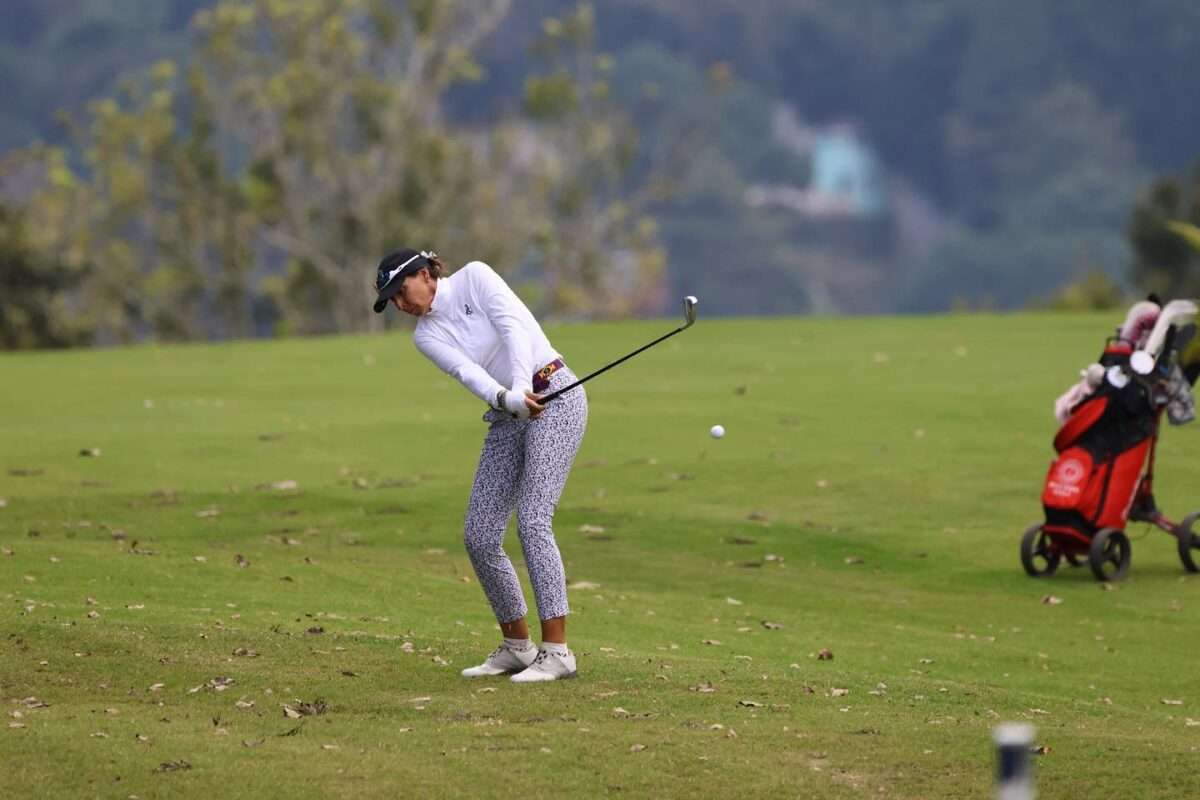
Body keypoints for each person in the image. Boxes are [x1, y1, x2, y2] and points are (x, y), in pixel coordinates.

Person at [372, 248, 587, 682]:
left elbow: (514, 329)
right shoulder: (425, 336)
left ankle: (558, 653)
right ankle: (517, 647)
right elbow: (467, 372)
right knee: (480, 534)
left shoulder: (476, 278)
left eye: (400, 290)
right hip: (509, 411)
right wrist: (507, 399)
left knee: (532, 520)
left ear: (424, 274)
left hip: (556, 395)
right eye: (391, 300)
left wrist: (523, 387)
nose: (399, 304)